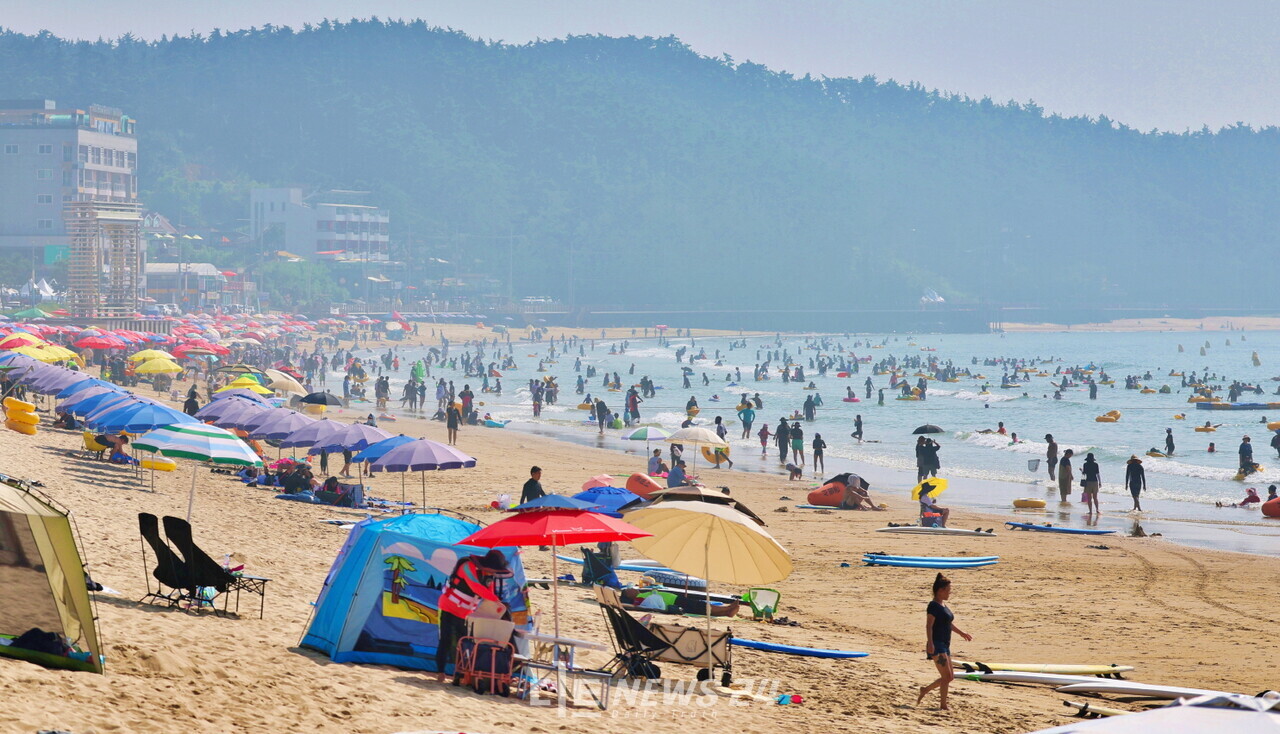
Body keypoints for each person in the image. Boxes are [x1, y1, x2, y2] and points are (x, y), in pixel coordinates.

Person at [434, 549, 510, 682]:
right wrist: (496, 600)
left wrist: (498, 606)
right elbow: (475, 586)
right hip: (448, 606)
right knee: (445, 640)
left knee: (463, 644)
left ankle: (459, 675)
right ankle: (441, 672)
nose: (492, 573)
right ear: (487, 565)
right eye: (492, 570)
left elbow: (488, 594)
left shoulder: (489, 575)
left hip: (465, 613)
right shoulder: (467, 566)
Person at [917, 573, 972, 711]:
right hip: (936, 644)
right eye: (948, 590)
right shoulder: (933, 606)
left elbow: (948, 624)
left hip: (945, 644)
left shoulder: (943, 604)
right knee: (947, 676)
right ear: (940, 591)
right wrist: (930, 643)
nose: (949, 593)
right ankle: (935, 698)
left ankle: (934, 697)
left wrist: (962, 633)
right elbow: (929, 625)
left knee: (949, 677)